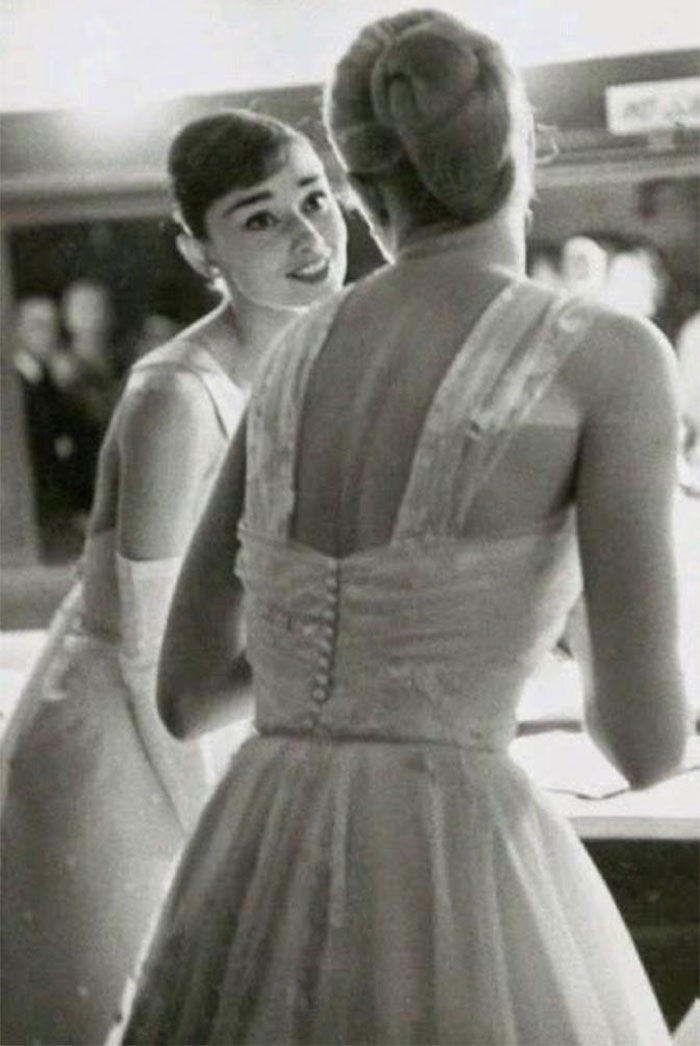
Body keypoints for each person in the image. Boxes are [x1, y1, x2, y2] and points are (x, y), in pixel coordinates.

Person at [122, 12, 689, 1045]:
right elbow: (646, 745)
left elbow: (188, 692)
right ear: (518, 147)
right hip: (448, 855)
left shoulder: (290, 359)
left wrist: (346, 662)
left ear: (359, 183)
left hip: (260, 845)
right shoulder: (611, 355)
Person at [0, 109, 347, 1046]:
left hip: (211, 709)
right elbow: (151, 649)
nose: (308, 235)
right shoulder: (175, 398)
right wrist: (221, 831)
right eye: (260, 218)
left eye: (315, 198)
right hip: (123, 740)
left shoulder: (314, 364)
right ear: (201, 254)